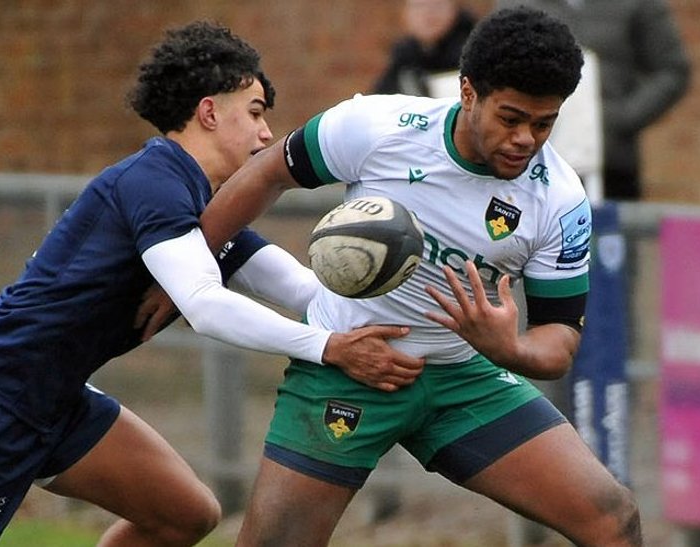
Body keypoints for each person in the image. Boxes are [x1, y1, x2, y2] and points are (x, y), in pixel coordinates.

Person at [0, 22, 423, 547]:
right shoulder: (155, 180)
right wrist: (329, 347)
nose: (266, 134)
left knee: (183, 516)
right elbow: (206, 306)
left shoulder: (201, 205)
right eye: (255, 113)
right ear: (208, 111)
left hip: (57, 403)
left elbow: (301, 290)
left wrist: (406, 313)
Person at [195, 7, 641, 546]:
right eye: (511, 117)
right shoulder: (375, 127)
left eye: (543, 124)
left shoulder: (561, 200)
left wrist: (509, 349)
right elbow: (269, 174)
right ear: (468, 92)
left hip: (464, 379)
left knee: (613, 519)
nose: (526, 138)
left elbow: (559, 340)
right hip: (349, 363)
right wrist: (190, 267)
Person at [501, 0, 691, 201]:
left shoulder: (638, 4)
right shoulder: (515, 4)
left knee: (607, 229)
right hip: (529, 162)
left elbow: (672, 69)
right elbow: (494, 67)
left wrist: (621, 118)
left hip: (610, 163)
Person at [371, 0, 478, 96]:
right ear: (405, 13)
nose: (428, 13)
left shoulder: (475, 55)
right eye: (419, 6)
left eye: (437, 5)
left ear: (454, 8)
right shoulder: (404, 58)